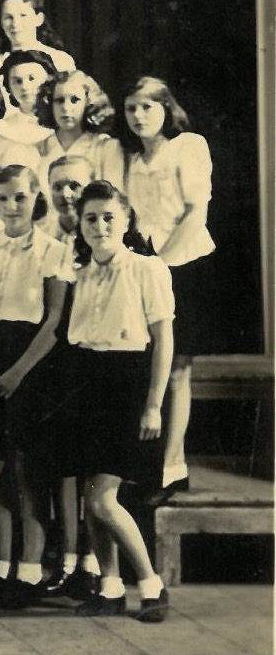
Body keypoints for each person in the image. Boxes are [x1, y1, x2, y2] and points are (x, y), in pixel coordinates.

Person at [0, 165, 73, 609]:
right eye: (3, 198)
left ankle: (30, 569)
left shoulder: (52, 250)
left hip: (29, 360)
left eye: (20, 198)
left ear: (35, 199)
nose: (11, 206)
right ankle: (4, 566)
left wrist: (18, 372)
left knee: (27, 471)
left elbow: (54, 320)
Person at [64, 181, 173, 623]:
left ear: (126, 221)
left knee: (102, 498)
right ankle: (110, 587)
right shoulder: (80, 274)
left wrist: (153, 403)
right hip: (86, 382)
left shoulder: (148, 269)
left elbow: (164, 340)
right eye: (91, 218)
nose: (100, 226)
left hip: (127, 385)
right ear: (80, 224)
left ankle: (151, 584)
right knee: (90, 495)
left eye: (109, 217)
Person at [116, 76, 213, 503]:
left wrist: (163, 264)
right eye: (131, 108)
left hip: (183, 264)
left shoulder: (188, 146)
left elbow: (196, 212)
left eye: (147, 107)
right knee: (147, 364)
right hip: (146, 268)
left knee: (176, 369)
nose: (139, 116)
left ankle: (174, 468)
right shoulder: (132, 159)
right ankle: (147, 466)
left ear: (166, 108)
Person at [0, 0, 76, 76]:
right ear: (1, 22)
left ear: (39, 19)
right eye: (8, 17)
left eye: (23, 15)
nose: (15, 24)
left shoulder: (59, 60)